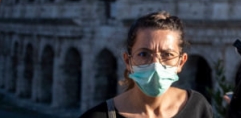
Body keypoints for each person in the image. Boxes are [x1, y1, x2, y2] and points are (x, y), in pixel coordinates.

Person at [79, 11, 213, 118]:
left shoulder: (197, 107)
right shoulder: (97, 116)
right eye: (144, 54)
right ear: (128, 61)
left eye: (167, 55)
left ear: (181, 62)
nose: (155, 64)